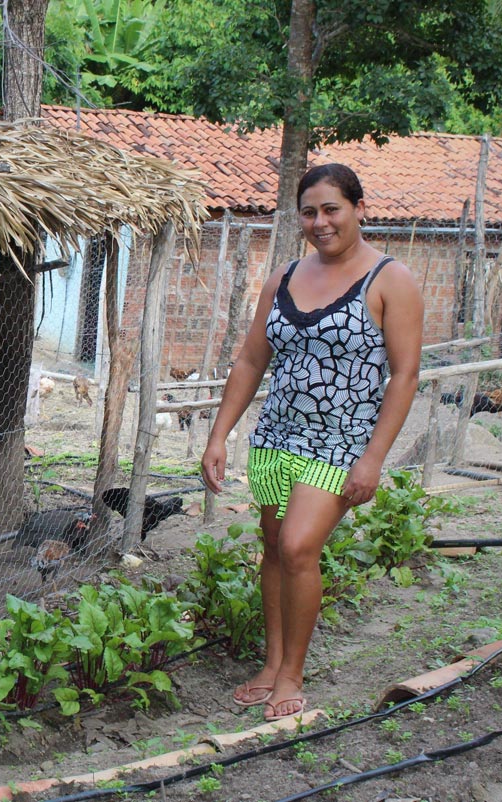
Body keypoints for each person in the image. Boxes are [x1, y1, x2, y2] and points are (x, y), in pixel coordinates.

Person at [201, 163, 423, 722]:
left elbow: (404, 375)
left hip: (343, 439)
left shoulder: (391, 280)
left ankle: (294, 673)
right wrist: (219, 434)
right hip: (277, 436)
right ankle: (273, 664)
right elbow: (253, 357)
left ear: (359, 209)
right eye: (309, 212)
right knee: (274, 545)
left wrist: (373, 459)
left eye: (332, 209)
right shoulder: (284, 276)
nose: (320, 222)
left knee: (299, 546)